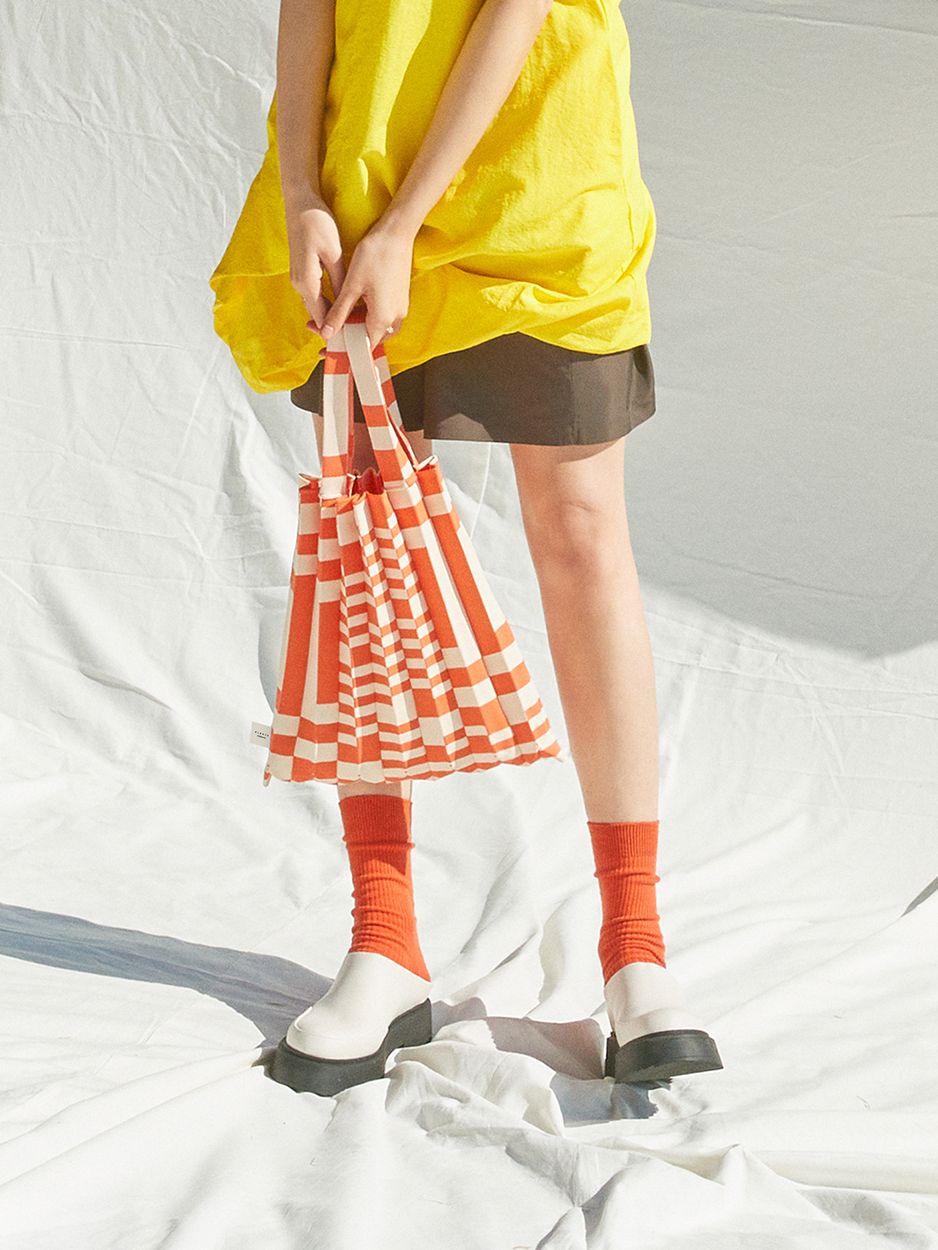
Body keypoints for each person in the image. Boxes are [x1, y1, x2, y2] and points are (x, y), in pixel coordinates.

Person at [210, 0, 723, 1093]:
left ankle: (634, 945)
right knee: (361, 535)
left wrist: (405, 226)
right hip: (361, 168)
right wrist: (302, 192)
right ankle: (384, 937)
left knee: (580, 530)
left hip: (537, 171)